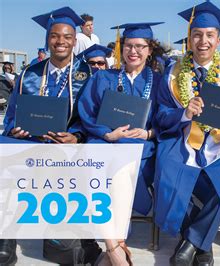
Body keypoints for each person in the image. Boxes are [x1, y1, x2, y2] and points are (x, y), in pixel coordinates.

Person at [153, 2, 220, 265]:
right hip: (180, 140)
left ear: (218, 40)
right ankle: (203, 245)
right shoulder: (172, 74)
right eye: (197, 35)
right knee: (166, 171)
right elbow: (161, 117)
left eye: (209, 35)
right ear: (189, 39)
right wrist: (185, 113)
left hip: (219, 141)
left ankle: (191, 242)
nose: (203, 41)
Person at [0, 6, 93, 265]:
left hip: (68, 146)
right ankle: (6, 237)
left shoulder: (88, 76)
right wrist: (14, 129)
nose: (60, 41)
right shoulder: (29, 73)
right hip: (30, 140)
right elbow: (13, 114)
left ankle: (65, 234)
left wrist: (76, 135)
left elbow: (91, 117)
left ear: (75, 41)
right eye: (55, 36)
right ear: (47, 39)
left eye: (66, 37)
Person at [77, 21, 165, 265]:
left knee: (120, 170)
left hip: (140, 148)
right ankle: (115, 247)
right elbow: (87, 111)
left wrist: (149, 133)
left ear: (149, 50)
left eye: (139, 46)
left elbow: (167, 118)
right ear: (121, 48)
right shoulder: (104, 77)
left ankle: (111, 249)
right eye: (128, 46)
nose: (133, 51)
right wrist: (107, 134)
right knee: (93, 166)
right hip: (104, 142)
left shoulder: (160, 82)